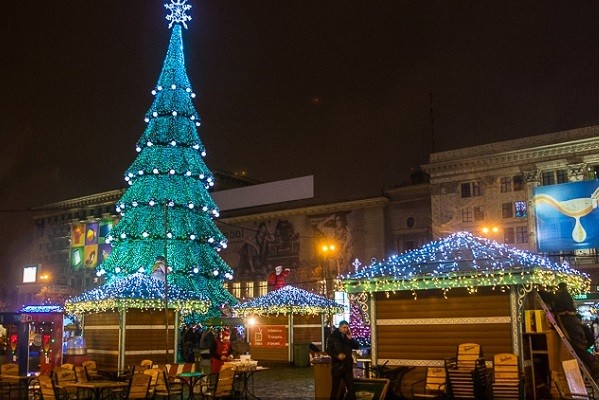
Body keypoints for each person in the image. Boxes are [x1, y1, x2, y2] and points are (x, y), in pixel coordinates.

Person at [553, 282, 599, 381]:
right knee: (580, 347)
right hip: (574, 321)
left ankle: (594, 367)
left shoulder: (560, 295)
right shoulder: (567, 295)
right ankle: (593, 367)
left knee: (578, 347)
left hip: (568, 321)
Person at [326, 320, 359, 400]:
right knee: (335, 389)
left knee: (351, 388)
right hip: (337, 367)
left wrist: (351, 338)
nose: (346, 329)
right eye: (344, 327)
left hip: (347, 367)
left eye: (347, 328)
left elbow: (356, 346)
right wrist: (337, 356)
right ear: (340, 327)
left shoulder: (347, 337)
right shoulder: (332, 337)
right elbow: (328, 350)